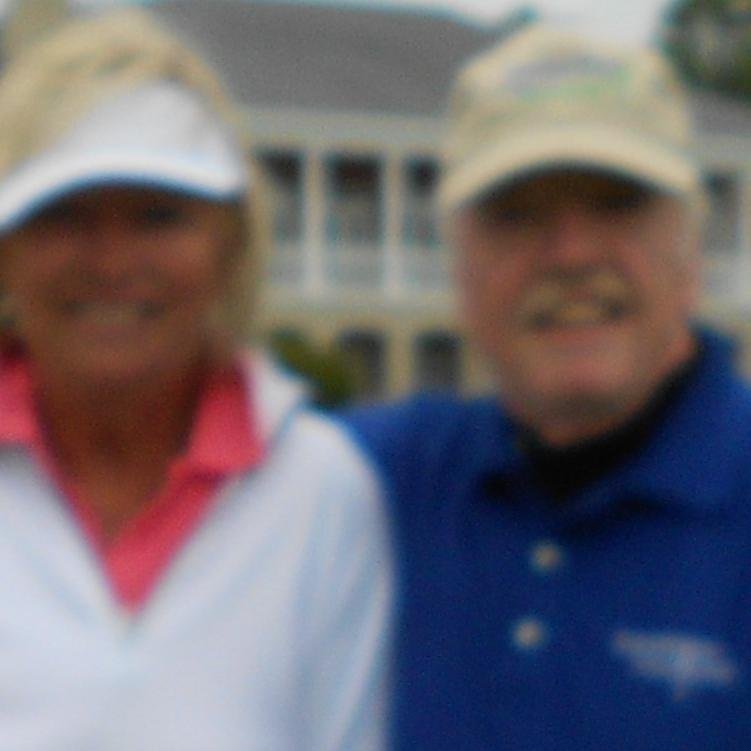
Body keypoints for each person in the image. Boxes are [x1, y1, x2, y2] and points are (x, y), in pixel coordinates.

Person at [344, 25, 751, 750]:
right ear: (458, 266)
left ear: (691, 245)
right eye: (516, 213)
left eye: (617, 203)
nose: (570, 252)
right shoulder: (375, 482)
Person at [0, 9, 389, 750]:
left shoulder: (319, 488)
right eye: (63, 214)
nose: (112, 261)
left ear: (229, 243)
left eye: (158, 214)